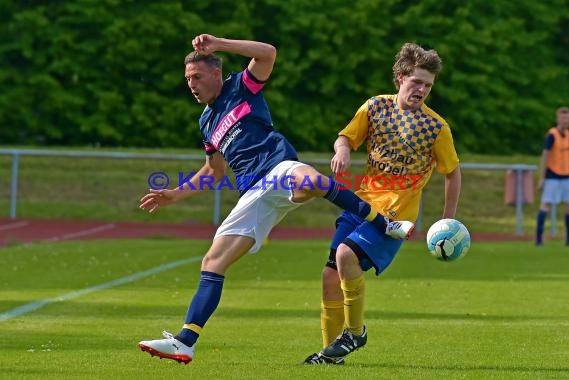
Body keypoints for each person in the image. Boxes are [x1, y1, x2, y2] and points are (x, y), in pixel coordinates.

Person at [137, 34, 415, 364]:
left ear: (215, 73)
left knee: (310, 179)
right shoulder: (206, 121)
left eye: (196, 77)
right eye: (187, 80)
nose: (191, 85)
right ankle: (186, 341)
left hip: (278, 167)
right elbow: (212, 172)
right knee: (213, 262)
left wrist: (219, 44)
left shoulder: (241, 86)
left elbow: (268, 53)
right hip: (253, 194)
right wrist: (175, 194)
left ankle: (385, 223)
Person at [302, 42, 462, 365]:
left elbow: (453, 173)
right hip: (361, 205)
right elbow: (345, 136)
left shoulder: (436, 128)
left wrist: (448, 222)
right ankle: (331, 355)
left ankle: (356, 333)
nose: (422, 90)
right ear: (401, 77)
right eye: (416, 81)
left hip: (395, 216)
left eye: (428, 85)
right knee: (329, 276)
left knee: (346, 255)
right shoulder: (375, 107)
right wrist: (342, 149)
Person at [535, 106, 569, 246]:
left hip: (567, 175)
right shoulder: (552, 135)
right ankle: (538, 238)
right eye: (563, 117)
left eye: (567, 117)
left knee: (568, 207)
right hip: (552, 176)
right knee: (545, 205)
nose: (565, 120)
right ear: (558, 119)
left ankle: (568, 239)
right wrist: (542, 178)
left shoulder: (568, 135)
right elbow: (545, 155)